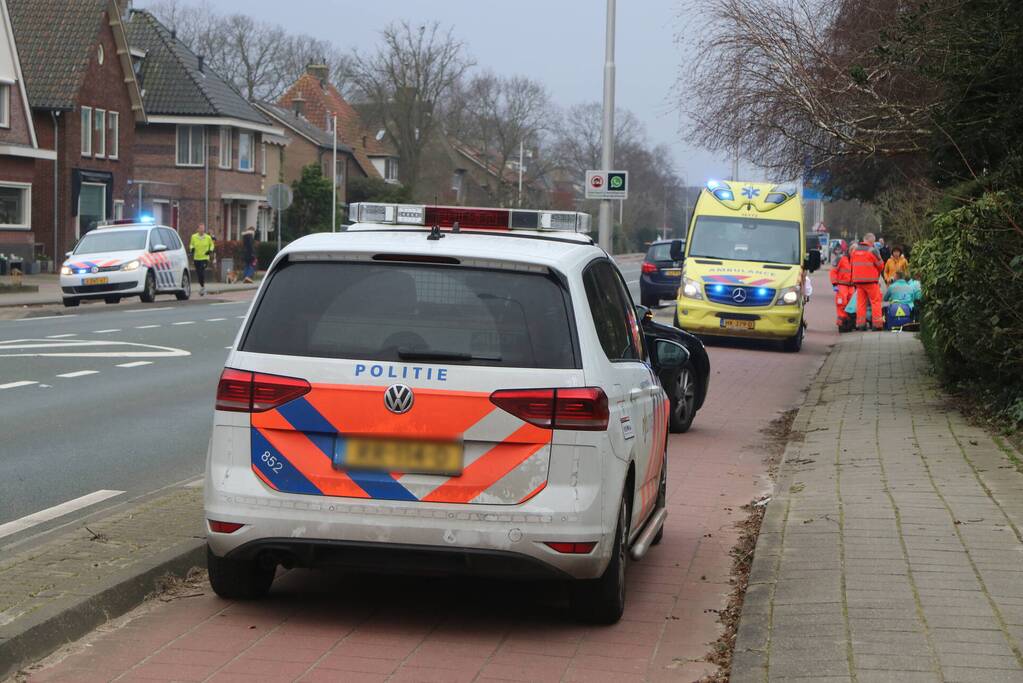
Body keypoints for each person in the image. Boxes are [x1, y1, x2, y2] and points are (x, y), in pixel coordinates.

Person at [850, 232, 884, 330]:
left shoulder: (854, 250)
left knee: (861, 303)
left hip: (858, 282)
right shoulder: (872, 250)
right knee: (875, 302)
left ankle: (861, 324)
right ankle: (877, 325)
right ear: (872, 240)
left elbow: (852, 263)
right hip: (871, 281)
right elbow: (880, 265)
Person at [830, 250, 855, 331]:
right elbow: (833, 271)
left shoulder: (856, 259)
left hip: (852, 286)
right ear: (849, 251)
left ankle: (850, 324)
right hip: (842, 285)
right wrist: (834, 284)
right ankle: (842, 324)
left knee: (851, 305)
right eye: (853, 250)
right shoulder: (841, 258)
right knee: (841, 304)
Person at [189, 223, 215, 296]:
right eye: (200, 228)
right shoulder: (193, 236)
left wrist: (210, 250)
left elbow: (212, 245)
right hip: (196, 258)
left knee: (201, 271)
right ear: (198, 229)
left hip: (205, 258)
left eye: (203, 229)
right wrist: (192, 249)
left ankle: (202, 288)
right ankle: (202, 287)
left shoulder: (208, 237)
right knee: (198, 274)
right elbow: (191, 244)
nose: (202, 230)